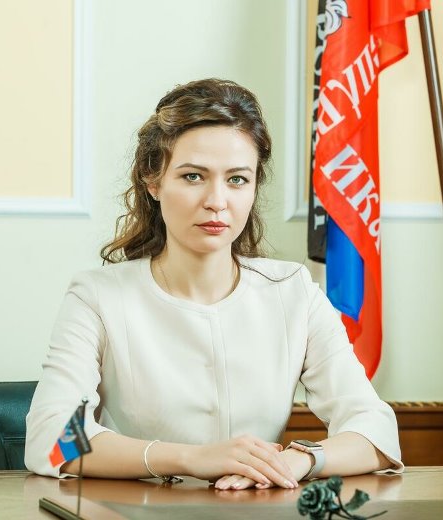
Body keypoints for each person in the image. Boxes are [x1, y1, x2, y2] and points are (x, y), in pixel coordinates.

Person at [25, 78, 402, 490]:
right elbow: (52, 442)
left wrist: (298, 461)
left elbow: (377, 431)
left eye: (237, 179)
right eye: (193, 176)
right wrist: (189, 458)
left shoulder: (294, 292)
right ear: (153, 182)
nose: (217, 201)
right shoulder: (98, 297)